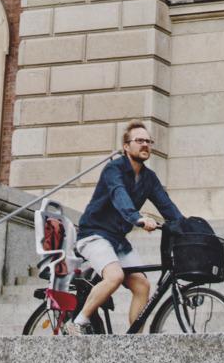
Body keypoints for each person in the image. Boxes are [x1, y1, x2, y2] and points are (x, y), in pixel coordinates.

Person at [75, 120, 186, 331]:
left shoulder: (149, 178)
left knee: (142, 285)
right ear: (126, 146)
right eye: (139, 140)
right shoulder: (113, 169)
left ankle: (135, 343)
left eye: (148, 141)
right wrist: (138, 218)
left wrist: (188, 228)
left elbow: (167, 205)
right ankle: (79, 322)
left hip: (118, 241)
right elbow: (119, 195)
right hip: (94, 235)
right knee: (115, 276)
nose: (145, 145)